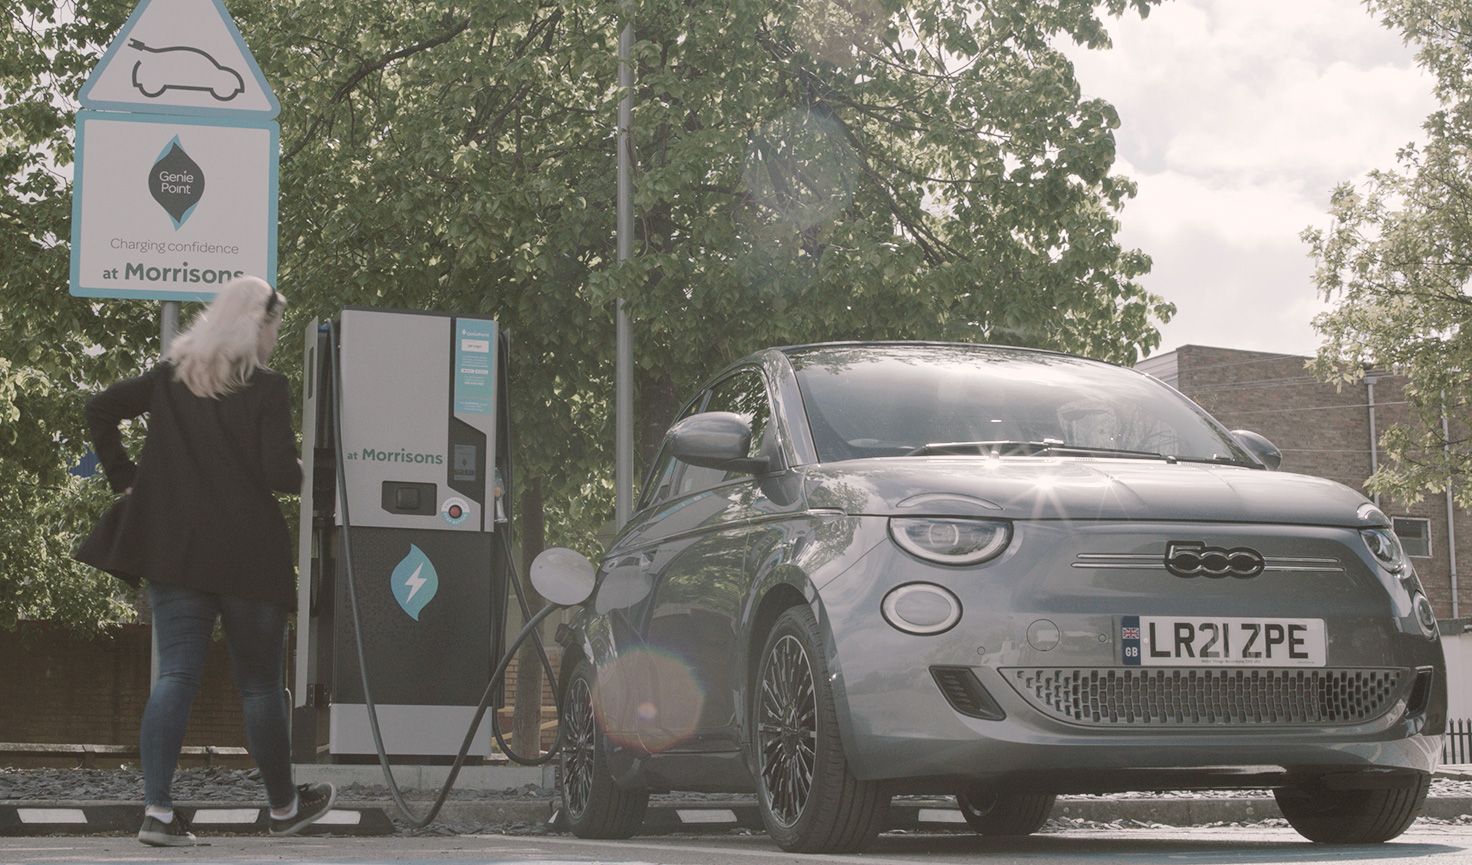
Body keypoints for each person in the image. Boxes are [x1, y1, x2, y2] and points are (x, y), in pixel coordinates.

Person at [80, 276, 334, 846]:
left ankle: (158, 813)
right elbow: (276, 473)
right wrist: (315, 469)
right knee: (260, 688)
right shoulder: (268, 388)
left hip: (176, 553)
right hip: (249, 556)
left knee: (175, 676)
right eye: (273, 327)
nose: (274, 338)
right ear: (257, 325)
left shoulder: (172, 378)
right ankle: (284, 807)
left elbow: (100, 408)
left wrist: (128, 481)